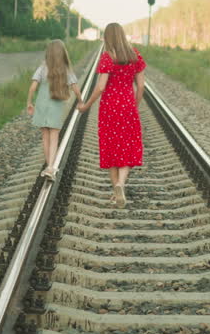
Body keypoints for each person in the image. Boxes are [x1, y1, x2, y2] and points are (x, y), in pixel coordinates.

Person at [75, 23, 145, 207]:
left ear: (108, 38)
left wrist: (86, 106)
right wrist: (134, 106)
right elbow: (141, 87)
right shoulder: (135, 56)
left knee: (112, 148)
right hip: (128, 106)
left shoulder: (108, 57)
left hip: (109, 109)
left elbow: (101, 87)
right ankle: (121, 185)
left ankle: (116, 189)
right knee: (128, 147)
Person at [27, 39, 81, 179]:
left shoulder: (43, 67)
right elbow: (75, 87)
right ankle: (51, 167)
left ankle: (48, 166)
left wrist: (29, 102)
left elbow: (33, 87)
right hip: (56, 106)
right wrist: (81, 101)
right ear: (62, 53)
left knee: (45, 135)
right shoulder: (66, 69)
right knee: (54, 136)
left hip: (41, 104)